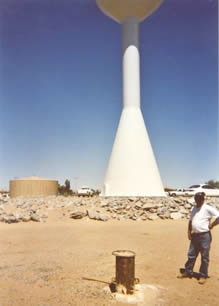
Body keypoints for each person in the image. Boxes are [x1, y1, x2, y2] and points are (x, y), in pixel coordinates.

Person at [179, 192, 219, 284]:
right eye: (196, 199)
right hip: (195, 236)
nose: (198, 201)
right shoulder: (194, 208)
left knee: (204, 257)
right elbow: (190, 221)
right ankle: (188, 271)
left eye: (200, 199)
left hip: (204, 236)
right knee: (191, 255)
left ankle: (203, 275)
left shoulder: (207, 208)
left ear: (203, 199)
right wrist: (189, 232)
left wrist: (212, 224)